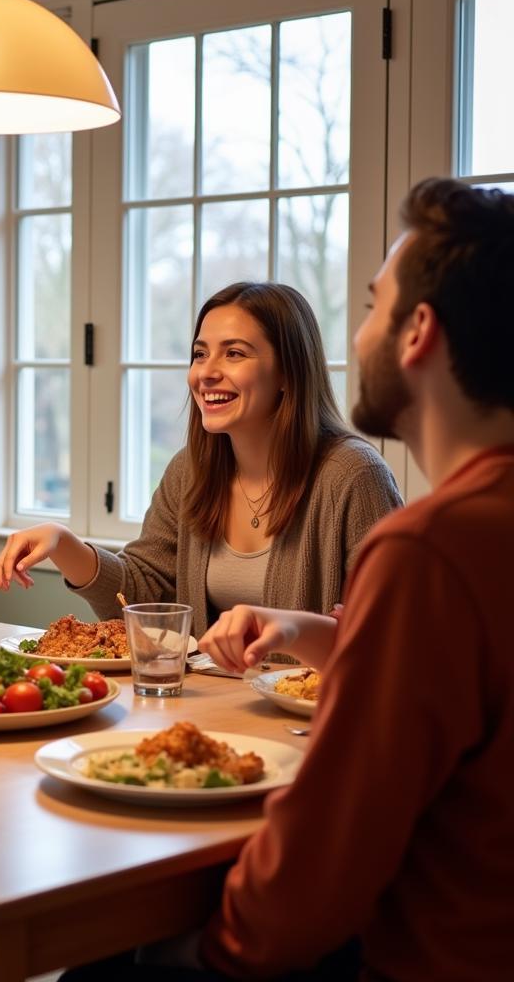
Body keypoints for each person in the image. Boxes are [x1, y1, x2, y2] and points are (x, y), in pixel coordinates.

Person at [64, 177, 514, 980]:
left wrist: (208, 951)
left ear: (419, 333)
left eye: (374, 304)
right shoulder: (460, 541)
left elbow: (333, 844)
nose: (360, 328)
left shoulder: (425, 549)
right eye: (201, 351)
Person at [0, 282, 401, 636]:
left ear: (287, 374)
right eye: (200, 354)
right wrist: (63, 544)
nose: (205, 373)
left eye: (234, 354)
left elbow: (394, 630)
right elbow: (141, 599)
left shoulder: (353, 476)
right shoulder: (188, 471)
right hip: (207, 707)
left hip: (309, 716)